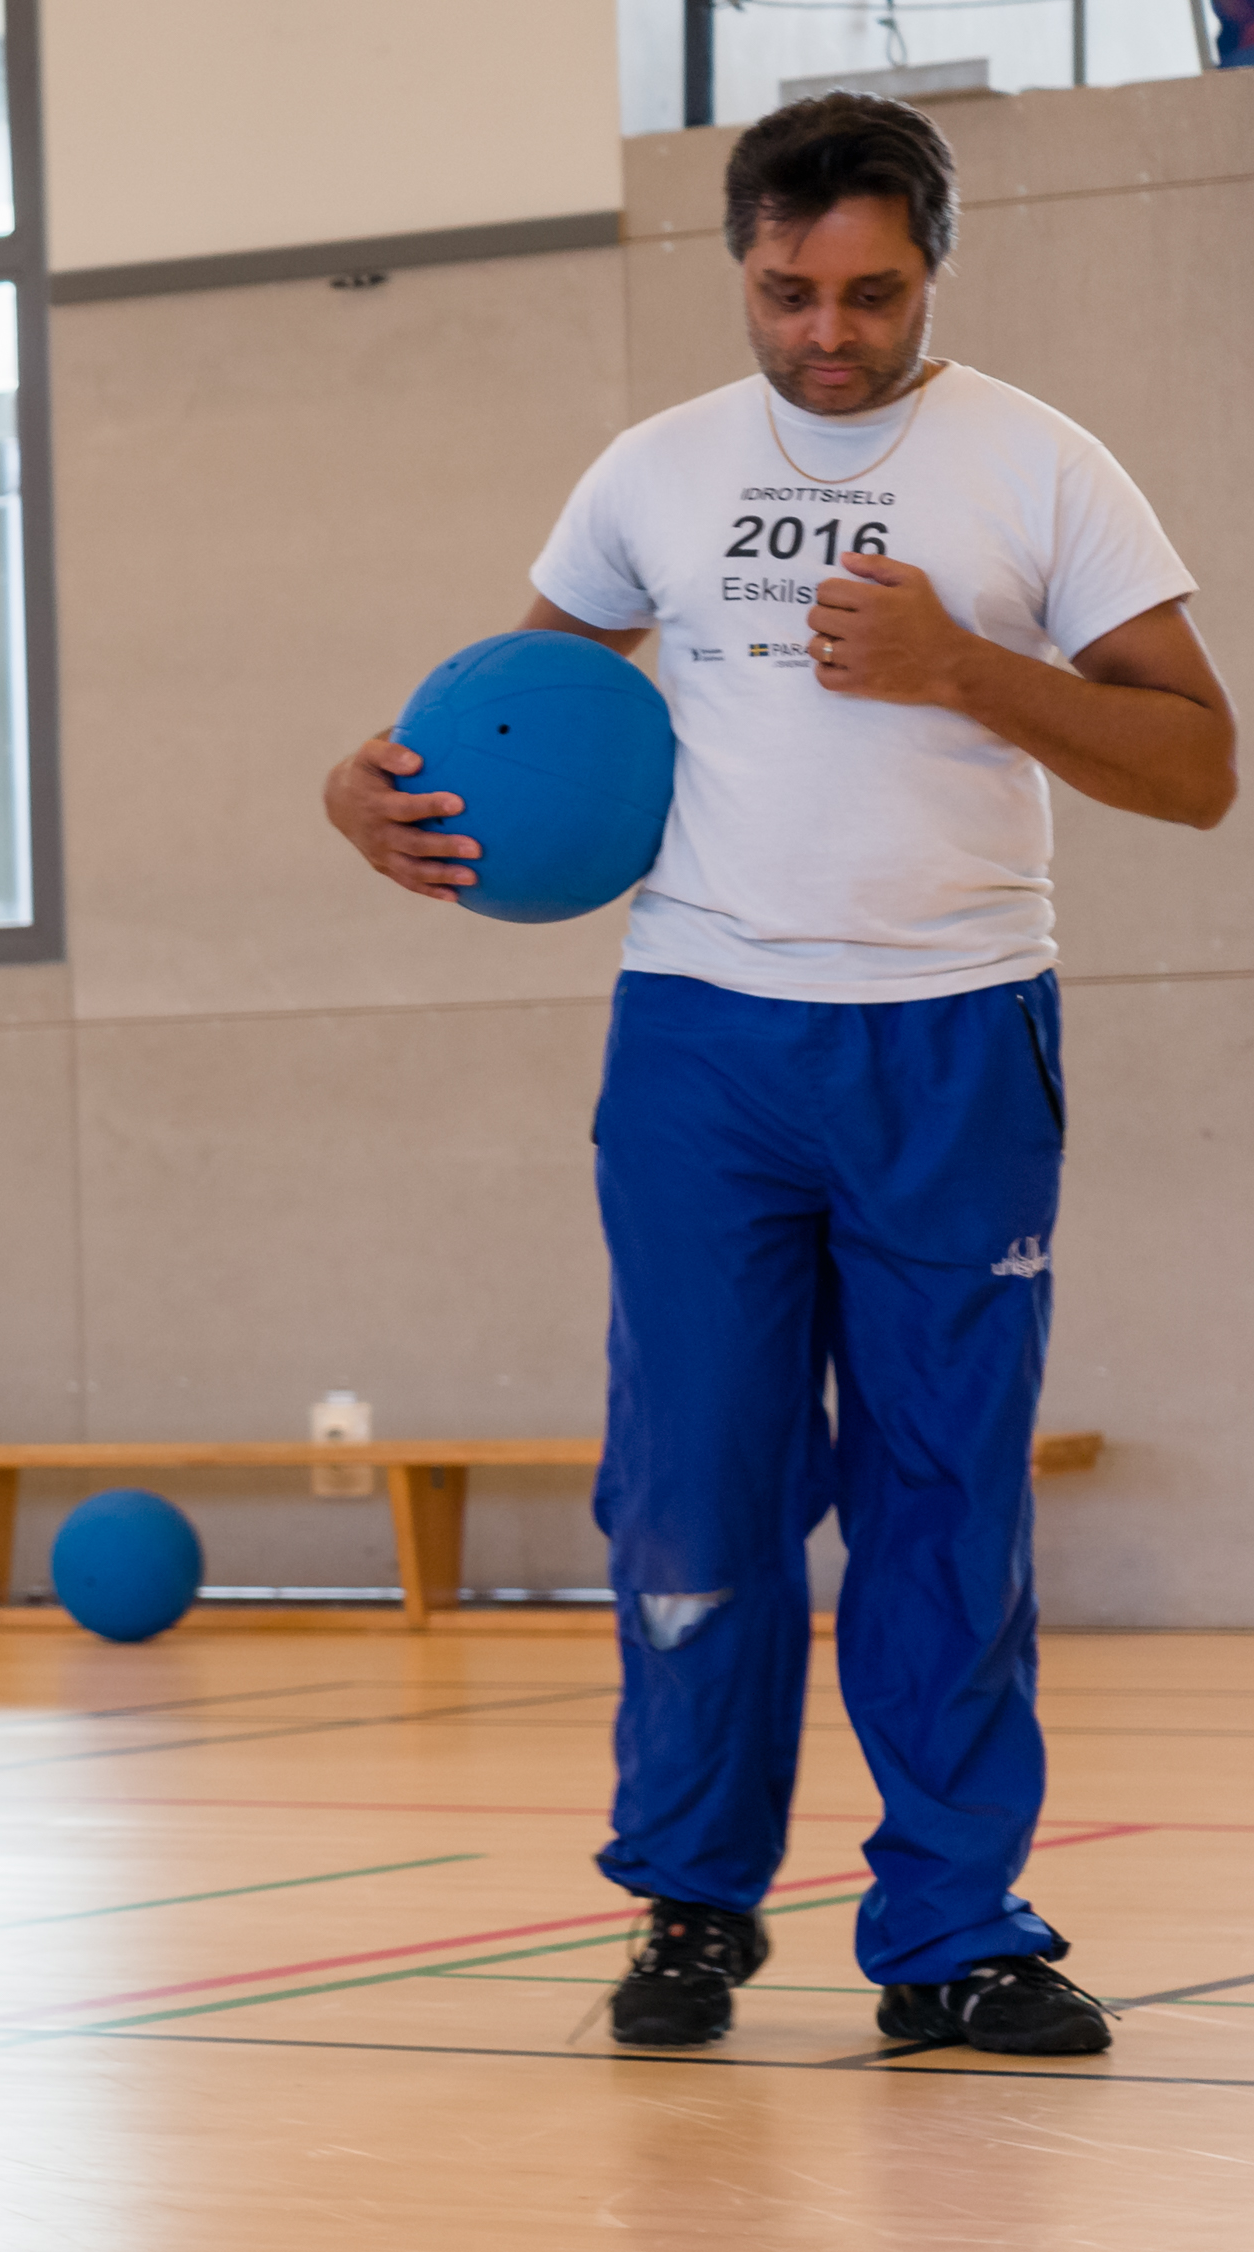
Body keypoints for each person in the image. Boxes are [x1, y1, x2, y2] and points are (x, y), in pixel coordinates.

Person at [319, 93, 1233, 2057]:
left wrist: (966, 667)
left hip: (954, 1038)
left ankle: (953, 1934)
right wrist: (362, 792)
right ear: (736, 262)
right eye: (786, 292)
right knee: (692, 1490)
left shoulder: (1039, 465)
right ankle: (690, 1902)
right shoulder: (649, 475)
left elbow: (1196, 766)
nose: (827, 333)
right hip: (702, 1045)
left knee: (943, 1497)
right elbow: (511, 722)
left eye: (871, 294)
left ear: (934, 268)